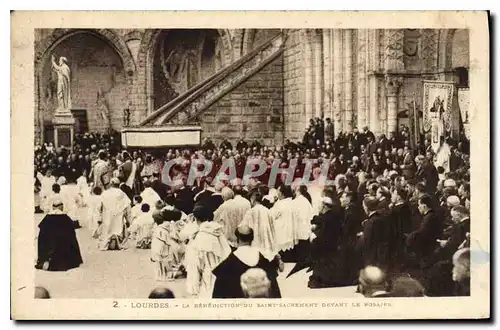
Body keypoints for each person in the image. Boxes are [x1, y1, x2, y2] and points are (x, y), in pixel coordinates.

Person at [212, 226, 282, 298]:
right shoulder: (265, 263)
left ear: (237, 239)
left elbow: (218, 298)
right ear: (252, 238)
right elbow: (275, 294)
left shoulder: (227, 266)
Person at [184, 204, 231, 297]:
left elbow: (195, 265)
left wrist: (194, 288)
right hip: (222, 275)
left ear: (196, 219)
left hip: (207, 277)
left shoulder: (199, 237)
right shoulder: (218, 232)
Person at [35, 198, 83, 271]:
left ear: (53, 207)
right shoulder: (66, 218)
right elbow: (72, 237)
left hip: (50, 248)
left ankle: (47, 261)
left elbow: (42, 237)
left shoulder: (47, 218)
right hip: (63, 250)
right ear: (61, 207)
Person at [308, 197, 344, 288]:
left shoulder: (329, 218)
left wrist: (314, 238)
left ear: (324, 206)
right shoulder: (329, 216)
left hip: (328, 246)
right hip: (328, 243)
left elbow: (325, 236)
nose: (318, 207)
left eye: (319, 205)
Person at [239, 190, 277, 261]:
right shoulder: (268, 211)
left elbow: (244, 226)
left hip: (255, 239)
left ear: (252, 200)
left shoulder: (250, 211)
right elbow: (273, 225)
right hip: (266, 238)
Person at [151, 207, 184, 281]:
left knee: (163, 260)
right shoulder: (175, 224)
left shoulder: (160, 227)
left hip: (165, 246)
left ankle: (163, 274)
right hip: (175, 245)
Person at [99, 178, 131, 251]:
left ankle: (106, 243)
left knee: (107, 229)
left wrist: (100, 216)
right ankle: (119, 243)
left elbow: (100, 205)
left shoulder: (105, 193)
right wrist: (128, 219)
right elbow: (127, 206)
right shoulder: (122, 194)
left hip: (108, 215)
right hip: (118, 216)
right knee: (119, 229)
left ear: (111, 184)